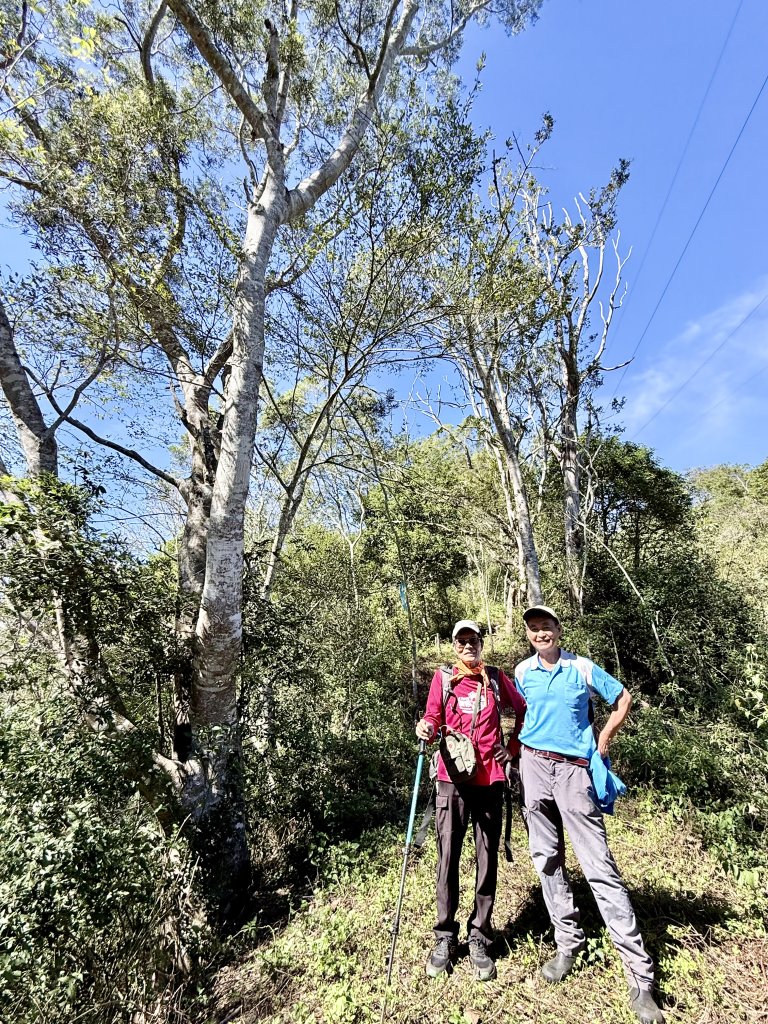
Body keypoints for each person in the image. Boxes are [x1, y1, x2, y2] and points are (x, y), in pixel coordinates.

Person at [514, 605, 664, 1024]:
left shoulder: (582, 668)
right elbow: (522, 717)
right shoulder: (523, 672)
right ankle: (568, 943)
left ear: (559, 630)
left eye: (546, 626)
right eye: (533, 628)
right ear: (528, 635)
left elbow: (623, 699)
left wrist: (603, 739)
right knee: (546, 860)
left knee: (599, 868)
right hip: (533, 766)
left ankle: (640, 978)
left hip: (574, 771)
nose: (540, 633)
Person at [415, 619, 526, 981]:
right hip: (451, 779)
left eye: (473, 640)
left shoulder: (495, 678)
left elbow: (523, 709)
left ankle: (479, 933)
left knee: (486, 857)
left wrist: (512, 748)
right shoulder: (443, 678)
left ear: (482, 643)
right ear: (454, 646)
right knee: (447, 857)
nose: (467, 646)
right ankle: (445, 936)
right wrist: (427, 727)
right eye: (461, 641)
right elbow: (432, 716)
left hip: (490, 780)